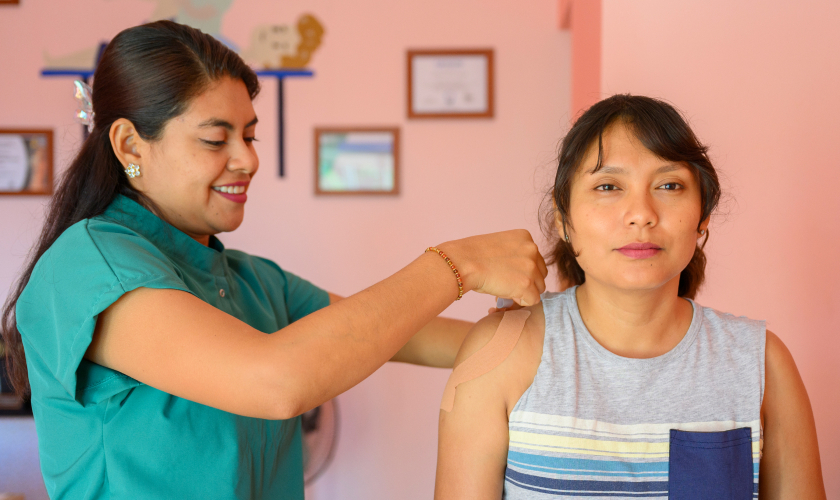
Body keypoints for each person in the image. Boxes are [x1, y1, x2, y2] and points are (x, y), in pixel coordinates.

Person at [0, 21, 548, 499]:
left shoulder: (252, 282)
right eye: (216, 139)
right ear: (130, 146)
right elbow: (276, 381)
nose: (248, 159)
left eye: (250, 135)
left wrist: (588, 319)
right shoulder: (89, 265)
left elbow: (410, 334)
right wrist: (457, 265)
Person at [435, 95, 826, 499]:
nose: (641, 213)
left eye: (669, 185)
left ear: (703, 213)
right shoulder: (498, 352)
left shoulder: (761, 363)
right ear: (563, 217)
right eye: (608, 186)